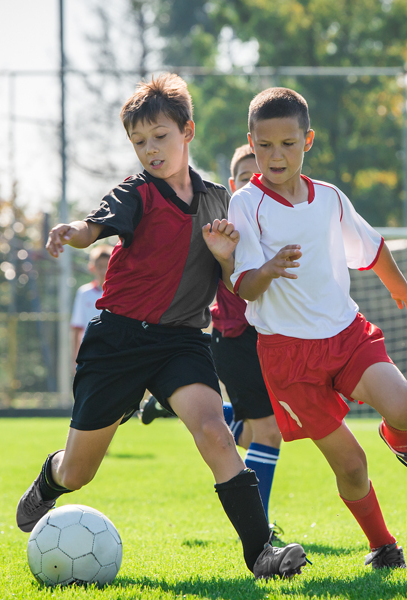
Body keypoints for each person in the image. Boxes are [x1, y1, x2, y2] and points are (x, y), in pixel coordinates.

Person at [15, 73, 308, 580]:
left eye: (160, 137)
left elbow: (233, 281)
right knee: (79, 471)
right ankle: (51, 478)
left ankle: (261, 553)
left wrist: (223, 257)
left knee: (215, 431)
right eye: (139, 141)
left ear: (187, 131)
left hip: (182, 341)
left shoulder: (219, 201)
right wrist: (74, 232)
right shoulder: (137, 193)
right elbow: (97, 225)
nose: (150, 150)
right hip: (118, 340)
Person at [224, 87, 407, 570]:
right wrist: (270, 268)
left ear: (308, 140)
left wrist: (401, 288)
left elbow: (371, 247)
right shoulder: (246, 204)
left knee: (406, 409)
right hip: (289, 358)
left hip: (347, 335)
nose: (276, 155)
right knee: (352, 466)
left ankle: (404, 441)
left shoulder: (328, 197)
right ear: (252, 142)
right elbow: (243, 286)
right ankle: (384, 546)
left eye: (288, 143)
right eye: (264, 146)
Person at [141, 144, 287, 546]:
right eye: (244, 176)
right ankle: (262, 530)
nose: (253, 182)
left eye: (259, 174)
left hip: (277, 336)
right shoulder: (223, 224)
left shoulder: (285, 219)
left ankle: (174, 405)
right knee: (269, 431)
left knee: (277, 424)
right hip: (235, 337)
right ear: (232, 185)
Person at [70, 244, 112, 360]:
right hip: (90, 354)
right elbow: (76, 328)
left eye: (106, 266)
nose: (103, 271)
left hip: (113, 352)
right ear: (92, 267)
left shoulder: (120, 293)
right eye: (100, 266)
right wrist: (75, 359)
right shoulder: (84, 293)